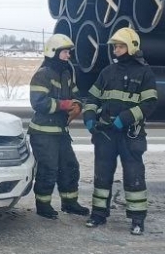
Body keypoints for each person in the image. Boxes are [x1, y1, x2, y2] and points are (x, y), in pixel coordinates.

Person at [82, 27, 158, 235]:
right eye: (115, 46)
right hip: (106, 134)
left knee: (134, 176)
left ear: (132, 47)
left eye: (120, 46)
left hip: (130, 135)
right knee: (102, 176)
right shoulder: (107, 72)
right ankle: (98, 214)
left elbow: (149, 104)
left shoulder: (144, 73)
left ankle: (137, 219)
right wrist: (89, 117)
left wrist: (124, 119)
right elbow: (92, 98)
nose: (116, 50)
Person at [28, 33, 90, 219]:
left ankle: (70, 203)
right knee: (48, 169)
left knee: (70, 166)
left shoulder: (66, 73)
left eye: (69, 52)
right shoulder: (42, 74)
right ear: (53, 52)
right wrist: (63, 105)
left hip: (60, 132)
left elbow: (76, 94)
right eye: (65, 52)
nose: (68, 55)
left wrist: (77, 105)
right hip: (43, 132)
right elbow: (38, 102)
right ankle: (43, 205)